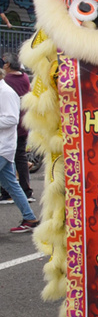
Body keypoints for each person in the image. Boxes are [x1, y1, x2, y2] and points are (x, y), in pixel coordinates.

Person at [0, 70, 39, 233]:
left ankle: (29, 218)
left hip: (3, 146)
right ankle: (30, 218)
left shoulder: (5, 92)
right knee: (12, 185)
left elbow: (12, 118)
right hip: (4, 147)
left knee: (12, 184)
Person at [0, 53, 32, 204]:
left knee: (14, 160)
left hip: (11, 128)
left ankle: (8, 193)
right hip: (23, 123)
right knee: (19, 158)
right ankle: (25, 193)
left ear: (7, 65)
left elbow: (9, 115)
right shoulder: (24, 77)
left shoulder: (7, 82)